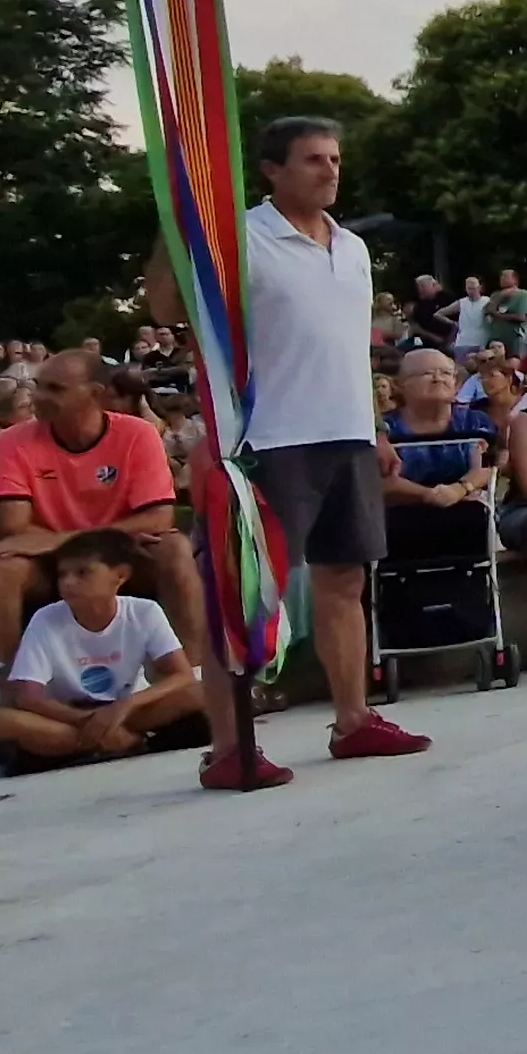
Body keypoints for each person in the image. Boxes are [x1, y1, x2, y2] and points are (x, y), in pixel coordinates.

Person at [216, 117, 428, 782]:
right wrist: (180, 233)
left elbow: (347, 345)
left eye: (334, 158)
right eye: (313, 159)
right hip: (271, 436)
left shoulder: (353, 246)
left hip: (347, 433)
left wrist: (376, 426)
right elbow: (170, 307)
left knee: (345, 579)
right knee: (249, 590)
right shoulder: (240, 237)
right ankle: (228, 745)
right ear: (272, 170)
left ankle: (353, 720)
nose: (330, 169)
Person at [0, 527, 208, 771]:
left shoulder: (144, 611)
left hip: (124, 710)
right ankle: (126, 742)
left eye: (82, 573)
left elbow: (181, 675)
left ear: (120, 576)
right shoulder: (45, 619)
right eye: (62, 574)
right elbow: (27, 697)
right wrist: (85, 719)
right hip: (67, 714)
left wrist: (125, 706)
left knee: (202, 692)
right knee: (0, 721)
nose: (68, 582)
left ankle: (85, 746)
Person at [375, 346, 500, 573]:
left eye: (446, 373)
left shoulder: (475, 422)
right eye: (427, 373)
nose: (438, 378)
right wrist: (428, 495)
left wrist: (459, 489)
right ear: (401, 385)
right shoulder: (386, 429)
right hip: (399, 515)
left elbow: (486, 468)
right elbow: (382, 481)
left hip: (463, 508)